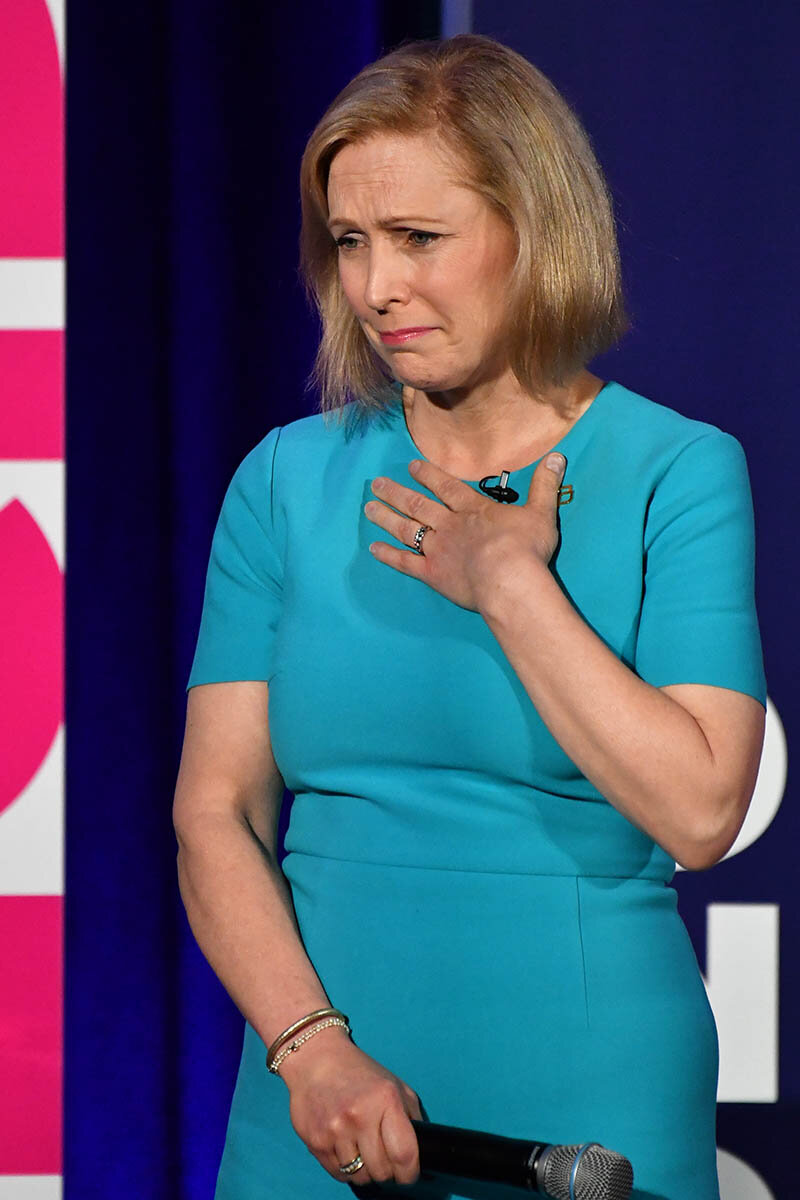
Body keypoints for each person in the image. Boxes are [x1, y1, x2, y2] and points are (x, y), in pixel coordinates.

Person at [173, 33, 766, 1200]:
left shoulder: (675, 472)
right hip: (320, 1105)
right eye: (350, 243)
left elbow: (700, 811)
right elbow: (214, 813)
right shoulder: (285, 482)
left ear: (532, 231)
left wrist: (509, 585)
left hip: (589, 1111)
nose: (376, 287)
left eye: (418, 240)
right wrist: (310, 1048)